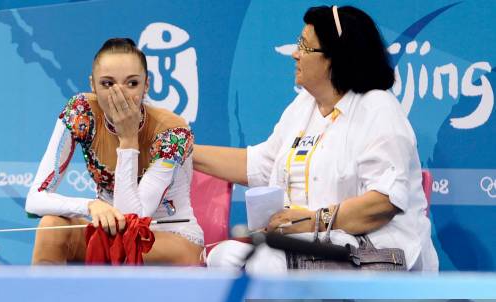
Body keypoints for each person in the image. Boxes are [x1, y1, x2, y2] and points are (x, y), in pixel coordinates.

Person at [193, 5, 438, 272]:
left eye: (306, 47)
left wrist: (312, 220)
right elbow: (261, 164)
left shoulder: (378, 109)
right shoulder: (304, 105)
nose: (295, 54)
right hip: (313, 245)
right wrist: (185, 151)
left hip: (373, 253)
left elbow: (381, 204)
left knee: (263, 265)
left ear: (335, 57)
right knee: (226, 256)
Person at [26, 38, 203, 265]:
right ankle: (44, 300)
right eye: (107, 84)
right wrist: (90, 205)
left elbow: (132, 220)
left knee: (124, 244)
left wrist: (128, 139)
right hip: (108, 231)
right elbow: (35, 199)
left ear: (146, 85)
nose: (119, 95)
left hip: (167, 237)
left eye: (132, 84)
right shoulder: (81, 111)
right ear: (93, 84)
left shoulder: (173, 131)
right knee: (51, 226)